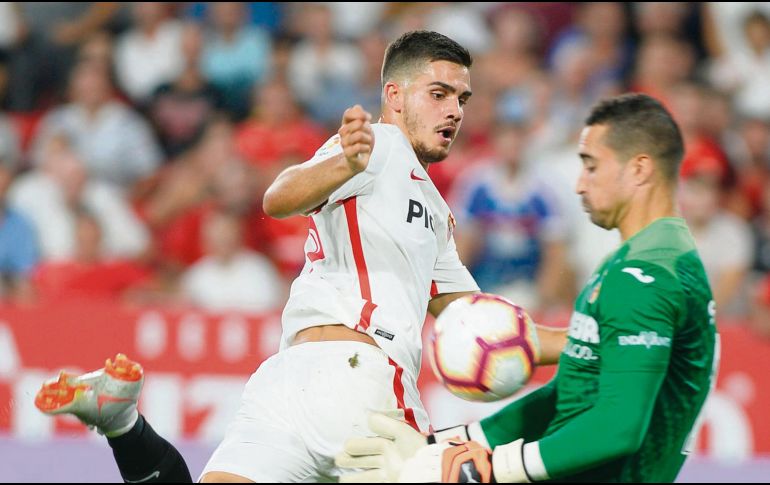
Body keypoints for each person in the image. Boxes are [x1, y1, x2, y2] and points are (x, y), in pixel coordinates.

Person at [34, 30, 568, 483]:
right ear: (394, 95)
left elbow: (480, 323)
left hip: (289, 383)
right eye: (439, 93)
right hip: (366, 384)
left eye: (462, 99)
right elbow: (279, 197)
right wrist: (345, 164)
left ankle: (123, 424)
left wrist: (585, 343)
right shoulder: (378, 147)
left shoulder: (433, 209)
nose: (454, 110)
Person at [336, 93, 719, 483]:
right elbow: (567, 392)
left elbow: (618, 427)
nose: (579, 184)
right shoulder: (649, 260)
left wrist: (487, 470)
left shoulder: (644, 277)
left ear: (639, 169)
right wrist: (442, 445)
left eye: (591, 166)